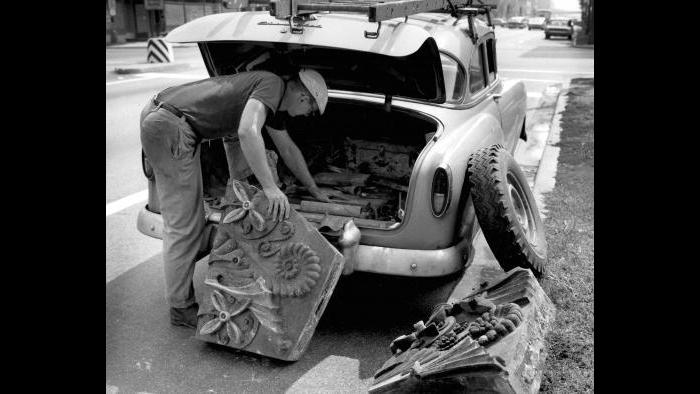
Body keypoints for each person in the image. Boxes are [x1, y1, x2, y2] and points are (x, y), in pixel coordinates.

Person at [140, 68, 332, 328]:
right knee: (183, 225)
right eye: (310, 110)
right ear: (303, 97)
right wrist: (270, 188)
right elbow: (246, 132)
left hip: (169, 118)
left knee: (192, 222)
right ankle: (180, 306)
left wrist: (313, 189)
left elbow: (287, 148)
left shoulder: (271, 99)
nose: (306, 116)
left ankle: (187, 269)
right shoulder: (273, 85)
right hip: (170, 124)